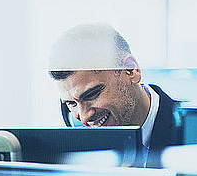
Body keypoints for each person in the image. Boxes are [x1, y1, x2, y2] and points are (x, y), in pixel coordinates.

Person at [48, 23, 181, 166]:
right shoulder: (73, 133)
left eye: (92, 94)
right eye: (71, 103)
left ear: (131, 70)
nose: (85, 117)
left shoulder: (192, 133)